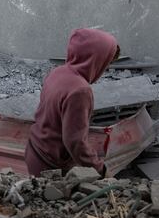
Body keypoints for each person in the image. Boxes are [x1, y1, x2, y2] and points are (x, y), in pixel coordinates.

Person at [24, 28, 119, 176]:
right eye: (106, 63)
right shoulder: (80, 91)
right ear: (95, 60)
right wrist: (101, 170)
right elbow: (75, 142)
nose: (105, 68)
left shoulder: (58, 72)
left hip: (35, 151)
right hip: (51, 167)